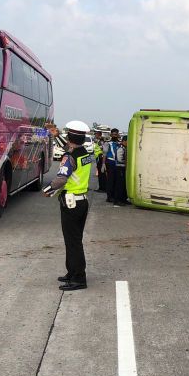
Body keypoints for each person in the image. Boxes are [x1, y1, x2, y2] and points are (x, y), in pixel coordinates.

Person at [43, 120, 93, 291]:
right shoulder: (84, 153)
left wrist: (48, 190)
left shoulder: (69, 157)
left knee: (73, 242)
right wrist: (56, 136)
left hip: (71, 203)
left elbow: (62, 179)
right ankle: (72, 272)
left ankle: (79, 278)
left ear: (70, 137)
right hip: (82, 202)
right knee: (74, 240)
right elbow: (69, 148)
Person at [105, 128, 128, 205]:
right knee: (110, 180)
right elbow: (104, 154)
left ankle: (115, 196)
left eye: (116, 134)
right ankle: (109, 196)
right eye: (114, 134)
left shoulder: (119, 143)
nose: (115, 135)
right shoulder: (108, 143)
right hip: (110, 162)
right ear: (111, 135)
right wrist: (103, 164)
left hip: (116, 164)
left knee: (116, 181)